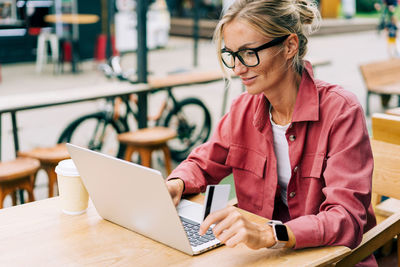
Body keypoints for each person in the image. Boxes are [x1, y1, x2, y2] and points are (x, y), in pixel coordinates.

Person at [165, 0, 377, 265]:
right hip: (267, 257)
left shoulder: (341, 111)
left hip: (331, 258)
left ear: (289, 46)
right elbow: (203, 163)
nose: (238, 68)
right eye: (231, 55)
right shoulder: (242, 109)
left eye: (249, 53)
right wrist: (177, 184)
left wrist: (271, 233)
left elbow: (346, 217)